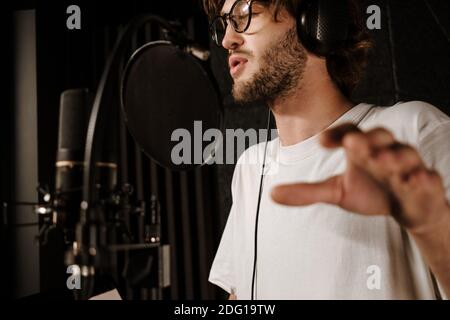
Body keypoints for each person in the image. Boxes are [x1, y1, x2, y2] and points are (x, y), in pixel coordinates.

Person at [204, 0, 450, 299]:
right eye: (224, 23)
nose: (229, 39)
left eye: (245, 15)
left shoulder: (413, 132)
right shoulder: (251, 170)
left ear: (317, 22)